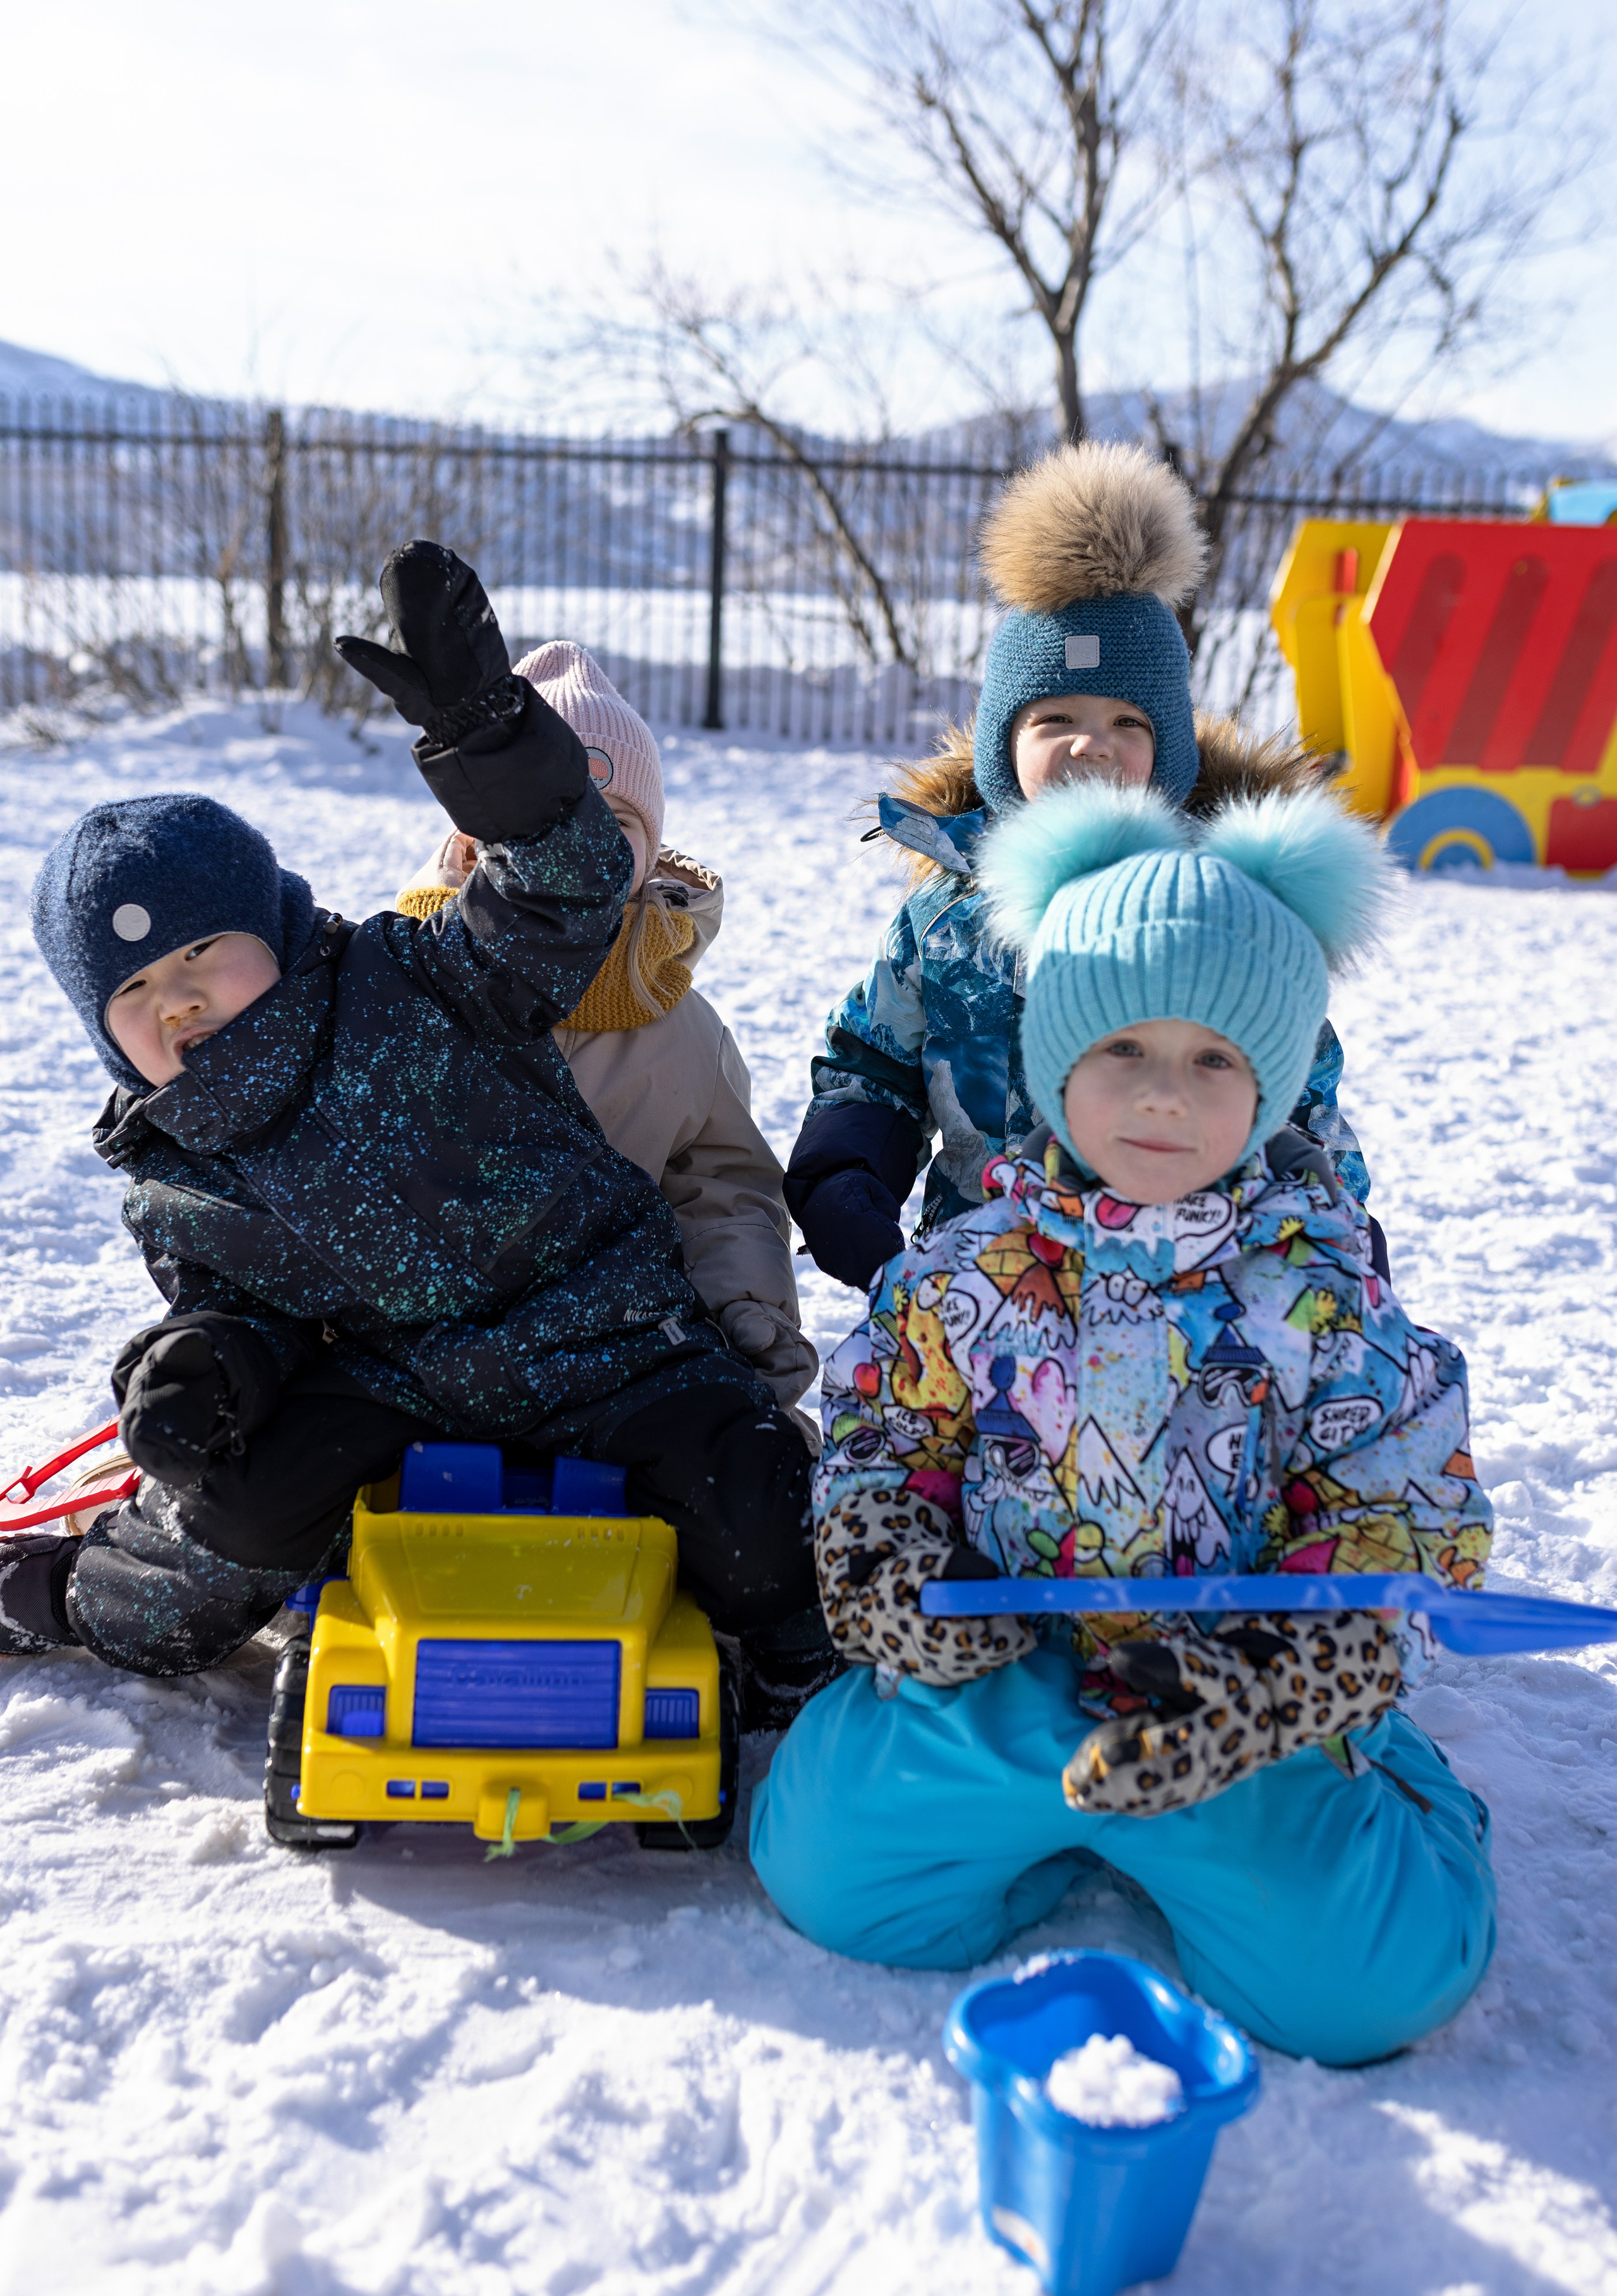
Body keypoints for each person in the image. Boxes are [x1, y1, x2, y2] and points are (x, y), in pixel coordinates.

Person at [3, 542, 833, 1724]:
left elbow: (565, 889)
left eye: (201, 954)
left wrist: (499, 748)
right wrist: (208, 1365)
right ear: (103, 1034)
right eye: (134, 992)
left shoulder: (414, 974)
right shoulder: (175, 1155)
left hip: (607, 1332)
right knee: (231, 1509)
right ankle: (64, 1593)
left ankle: (800, 1649)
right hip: (390, 1377)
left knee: (752, 1499)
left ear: (280, 927)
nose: (177, 999)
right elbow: (237, 1303)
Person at [750, 777, 1496, 2068]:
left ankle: (1373, 1803)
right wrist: (884, 1561)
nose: (1163, 1096)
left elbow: (1398, 1511)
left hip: (1226, 1723)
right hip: (1003, 1685)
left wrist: (1280, 1680)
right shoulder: (961, 1276)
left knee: (1363, 1989)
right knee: (825, 1877)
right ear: (1053, 1063)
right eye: (1122, 1051)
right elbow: (885, 1436)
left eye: (1214, 1060)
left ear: (1267, 1088)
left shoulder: (1319, 1300)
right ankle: (1041, 1817)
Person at [784, 440, 1382, 1296]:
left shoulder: (1219, 911)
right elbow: (878, 1061)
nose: (1089, 743)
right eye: (1053, 716)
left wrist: (1331, 1224)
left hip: (1189, 1291)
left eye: (1128, 723)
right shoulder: (951, 913)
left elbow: (1296, 1091)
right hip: (982, 1285)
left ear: (1169, 750)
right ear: (1002, 746)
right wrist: (848, 1167)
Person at [395, 638, 819, 1447]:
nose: (576, 846)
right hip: (426, 1352)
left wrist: (744, 1311)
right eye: (539, 821)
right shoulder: (405, 985)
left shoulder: (680, 1028)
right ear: (468, 845)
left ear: (653, 849)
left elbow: (724, 1191)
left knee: (766, 1480)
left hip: (619, 1353)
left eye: (612, 822)